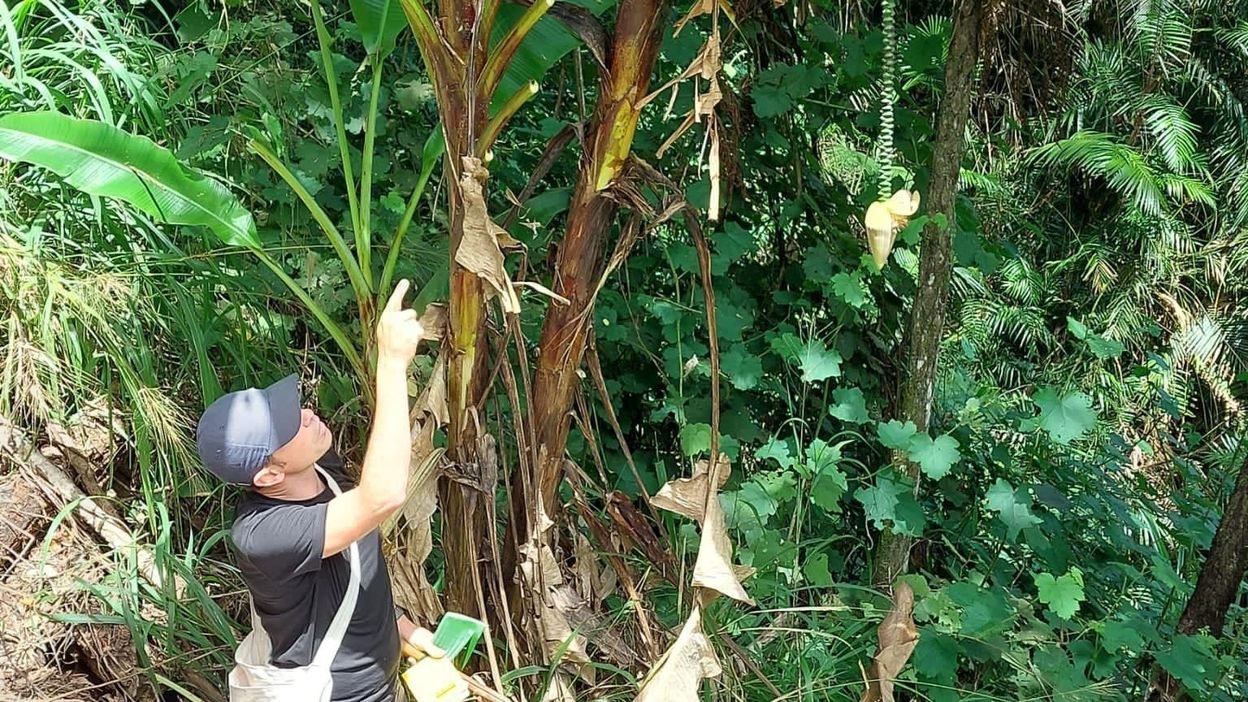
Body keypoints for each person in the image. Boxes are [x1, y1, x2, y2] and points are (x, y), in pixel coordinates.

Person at [195, 280, 441, 702]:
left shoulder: (317, 467)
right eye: (292, 426)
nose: (308, 415)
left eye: (296, 408)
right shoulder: (264, 534)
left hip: (384, 681)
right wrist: (392, 363)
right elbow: (381, 496)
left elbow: (348, 572)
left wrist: (397, 627)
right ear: (269, 476)